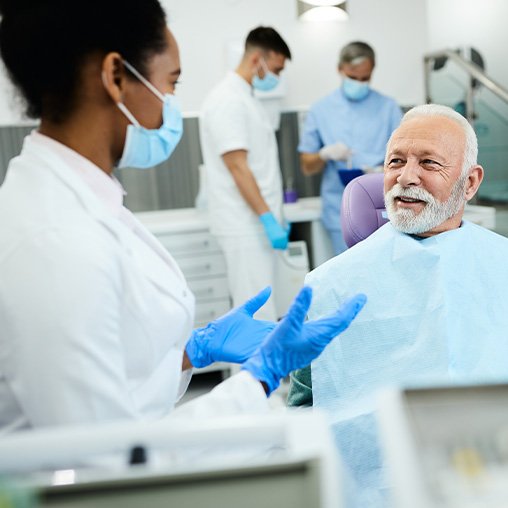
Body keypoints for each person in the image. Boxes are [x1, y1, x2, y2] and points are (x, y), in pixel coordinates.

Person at [0, 0, 366, 433]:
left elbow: (115, 373)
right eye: (170, 84)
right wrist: (260, 377)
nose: (170, 105)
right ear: (116, 78)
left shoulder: (79, 197)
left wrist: (190, 352)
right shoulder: (53, 239)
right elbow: (104, 460)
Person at [288, 104, 508, 505]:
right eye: (396, 161)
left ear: (470, 182)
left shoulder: (501, 264)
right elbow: (304, 407)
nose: (406, 178)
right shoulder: (330, 285)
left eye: (429, 163)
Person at [199, 26, 291, 321]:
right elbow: (237, 167)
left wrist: (273, 217)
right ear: (257, 60)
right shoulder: (228, 101)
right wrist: (267, 218)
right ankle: (256, 370)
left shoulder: (245, 98)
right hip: (245, 225)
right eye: (275, 69)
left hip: (255, 225)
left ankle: (264, 368)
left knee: (263, 311)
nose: (276, 77)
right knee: (256, 316)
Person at [298, 41, 402, 256]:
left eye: (365, 78)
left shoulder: (388, 108)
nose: (359, 83)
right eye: (353, 78)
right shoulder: (320, 110)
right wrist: (324, 154)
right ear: (340, 69)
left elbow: (408, 154)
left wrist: (383, 171)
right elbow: (307, 166)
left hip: (384, 206)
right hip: (339, 208)